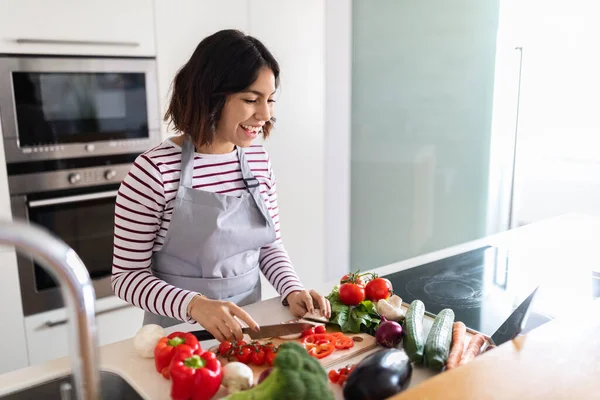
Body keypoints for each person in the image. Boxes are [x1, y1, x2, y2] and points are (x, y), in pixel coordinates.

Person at [111, 29, 331, 343]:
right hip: (177, 338)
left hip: (250, 332)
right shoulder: (154, 171)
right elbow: (126, 278)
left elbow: (268, 245)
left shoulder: (258, 161)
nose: (265, 114)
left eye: (269, 100)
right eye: (251, 100)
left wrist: (292, 289)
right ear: (211, 95)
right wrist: (195, 305)